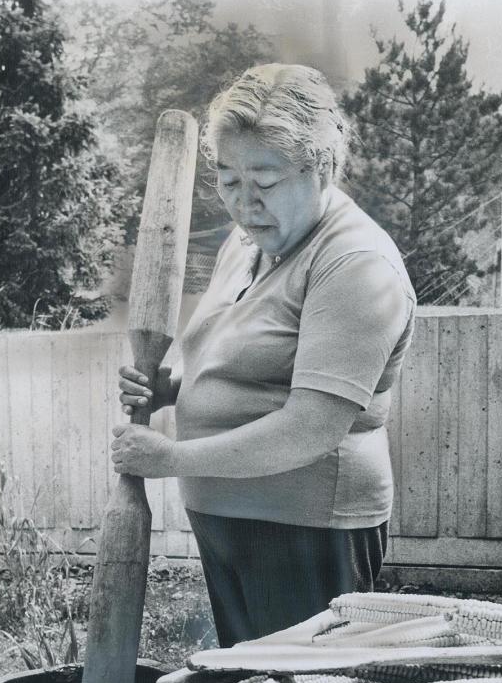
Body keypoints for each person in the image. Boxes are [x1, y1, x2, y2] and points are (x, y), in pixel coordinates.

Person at [112, 63, 416, 648]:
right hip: (231, 515)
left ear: (321, 166)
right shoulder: (248, 242)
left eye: (266, 183)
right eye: (228, 181)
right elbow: (242, 356)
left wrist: (169, 457)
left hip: (304, 530)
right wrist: (174, 388)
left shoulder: (355, 265)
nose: (244, 205)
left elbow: (310, 429)